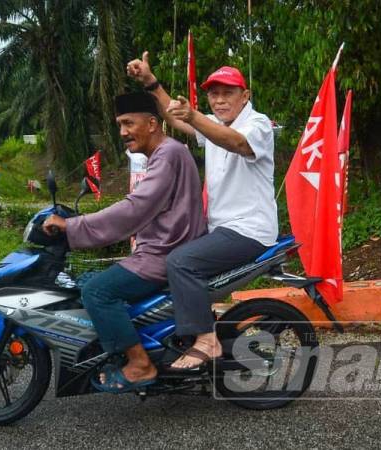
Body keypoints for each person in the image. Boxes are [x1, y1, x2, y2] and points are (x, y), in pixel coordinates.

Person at [42, 92, 207, 390]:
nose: (123, 133)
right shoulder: (165, 154)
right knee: (89, 280)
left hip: (162, 254)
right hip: (158, 249)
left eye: (128, 123)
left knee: (96, 292)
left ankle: (140, 364)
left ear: (153, 123)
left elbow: (136, 208)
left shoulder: (169, 154)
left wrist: (72, 225)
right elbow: (141, 206)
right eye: (120, 125)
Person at [127, 52, 278, 370]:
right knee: (166, 252)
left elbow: (238, 143)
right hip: (221, 228)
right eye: (214, 93)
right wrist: (152, 83)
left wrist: (195, 116)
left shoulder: (257, 124)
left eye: (228, 93)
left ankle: (206, 341)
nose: (220, 100)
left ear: (245, 95)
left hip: (248, 230)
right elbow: (177, 118)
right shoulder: (214, 127)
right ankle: (176, 335)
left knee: (181, 262)